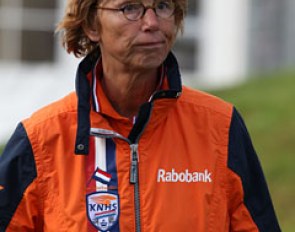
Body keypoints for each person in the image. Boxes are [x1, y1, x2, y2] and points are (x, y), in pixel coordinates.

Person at [0, 0, 281, 231]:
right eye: (130, 8)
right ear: (91, 24)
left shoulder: (221, 127)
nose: (152, 23)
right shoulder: (41, 140)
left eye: (162, 6)